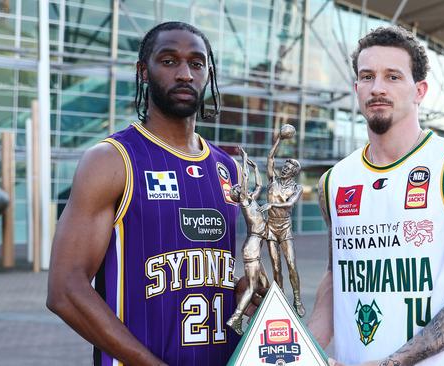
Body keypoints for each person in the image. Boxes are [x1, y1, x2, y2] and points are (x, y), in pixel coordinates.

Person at [47, 22, 246, 366]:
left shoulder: (227, 167)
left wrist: (247, 294)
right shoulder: (112, 160)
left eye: (196, 64)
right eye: (169, 61)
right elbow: (65, 289)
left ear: (208, 74)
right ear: (143, 71)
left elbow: (212, 275)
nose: (184, 74)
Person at [308, 26, 444, 366]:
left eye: (393, 77)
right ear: (356, 88)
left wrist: (394, 362)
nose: (378, 88)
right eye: (367, 77)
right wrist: (305, 348)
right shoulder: (334, 181)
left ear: (420, 90)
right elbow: (335, 275)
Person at [259, 127, 306, 317]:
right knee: (276, 267)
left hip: (285, 228)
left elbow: (289, 204)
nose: (285, 168)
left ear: (294, 172)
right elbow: (270, 159)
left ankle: (297, 299)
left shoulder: (298, 187)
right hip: (271, 228)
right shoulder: (273, 180)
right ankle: (280, 300)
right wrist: (278, 139)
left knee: (292, 264)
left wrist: (270, 204)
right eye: (285, 166)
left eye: (289, 168)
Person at [226, 147, 270, 335]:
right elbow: (244, 178)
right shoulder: (244, 202)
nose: (243, 189)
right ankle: (236, 319)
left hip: (256, 246)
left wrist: (254, 167)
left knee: (265, 287)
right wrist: (244, 160)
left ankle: (262, 317)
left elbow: (259, 185)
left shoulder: (252, 200)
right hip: (252, 246)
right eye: (240, 190)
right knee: (252, 287)